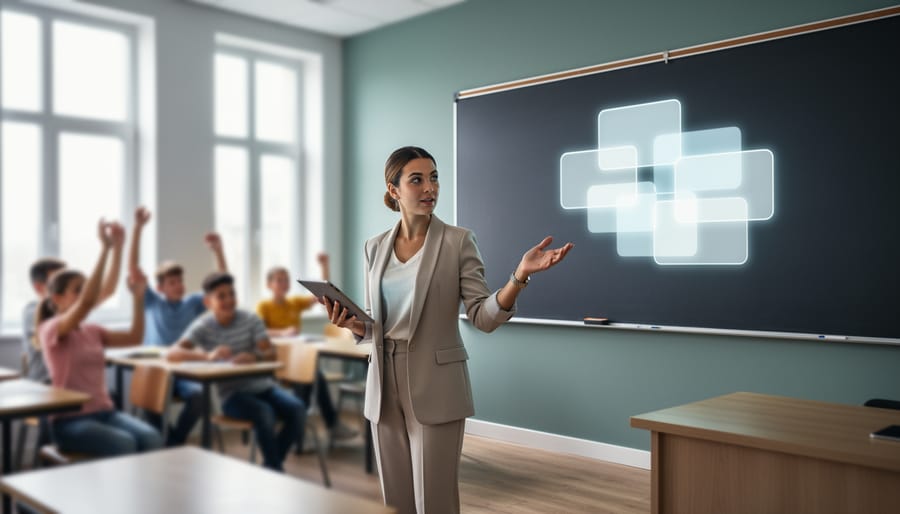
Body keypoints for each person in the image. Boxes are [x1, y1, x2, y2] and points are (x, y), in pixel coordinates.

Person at [323, 146, 573, 514]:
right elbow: (378, 322)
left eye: (434, 177)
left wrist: (519, 277)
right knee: (396, 501)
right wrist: (352, 323)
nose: (430, 188)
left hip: (435, 383)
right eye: (417, 179)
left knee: (435, 500)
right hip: (382, 381)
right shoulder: (374, 247)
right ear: (394, 191)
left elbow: (482, 316)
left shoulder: (458, 241)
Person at [37, 220, 163, 457]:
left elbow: (135, 337)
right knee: (124, 443)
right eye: (78, 289)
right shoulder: (51, 328)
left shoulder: (92, 329)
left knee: (152, 438)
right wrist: (105, 249)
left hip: (105, 412)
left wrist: (137, 298)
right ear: (57, 298)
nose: (86, 294)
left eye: (85, 289)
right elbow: (88, 300)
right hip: (69, 421)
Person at [167, 272, 306, 472]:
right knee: (265, 413)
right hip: (232, 396)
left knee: (298, 410)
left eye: (231, 294)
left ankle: (271, 465)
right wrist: (207, 357)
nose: (229, 300)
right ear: (208, 302)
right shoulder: (204, 325)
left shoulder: (250, 319)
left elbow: (270, 353)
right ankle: (274, 468)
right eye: (221, 296)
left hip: (264, 388)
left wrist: (255, 357)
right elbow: (173, 353)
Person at [129, 206, 227, 445]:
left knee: (199, 397)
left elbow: (221, 283)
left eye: (180, 281)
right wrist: (138, 229)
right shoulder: (152, 301)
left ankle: (174, 441)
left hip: (184, 369)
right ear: (161, 287)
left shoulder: (193, 302)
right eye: (172, 282)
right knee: (149, 400)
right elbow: (133, 270)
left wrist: (218, 250)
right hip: (156, 368)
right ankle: (165, 443)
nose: (179, 285)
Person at [256, 256, 358, 444]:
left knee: (311, 376)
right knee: (313, 376)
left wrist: (324, 266)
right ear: (269, 284)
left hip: (297, 359)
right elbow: (259, 332)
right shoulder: (264, 306)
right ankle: (320, 425)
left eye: (286, 279)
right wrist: (283, 332)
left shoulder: (293, 303)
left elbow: (321, 295)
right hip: (276, 362)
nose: (283, 283)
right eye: (279, 280)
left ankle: (299, 429)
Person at [24, 239, 123, 383]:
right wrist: (106, 249)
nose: (62, 284)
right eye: (56, 281)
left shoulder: (72, 307)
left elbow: (107, 290)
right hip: (46, 384)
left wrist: (118, 247)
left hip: (71, 385)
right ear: (39, 287)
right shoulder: (33, 312)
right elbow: (86, 303)